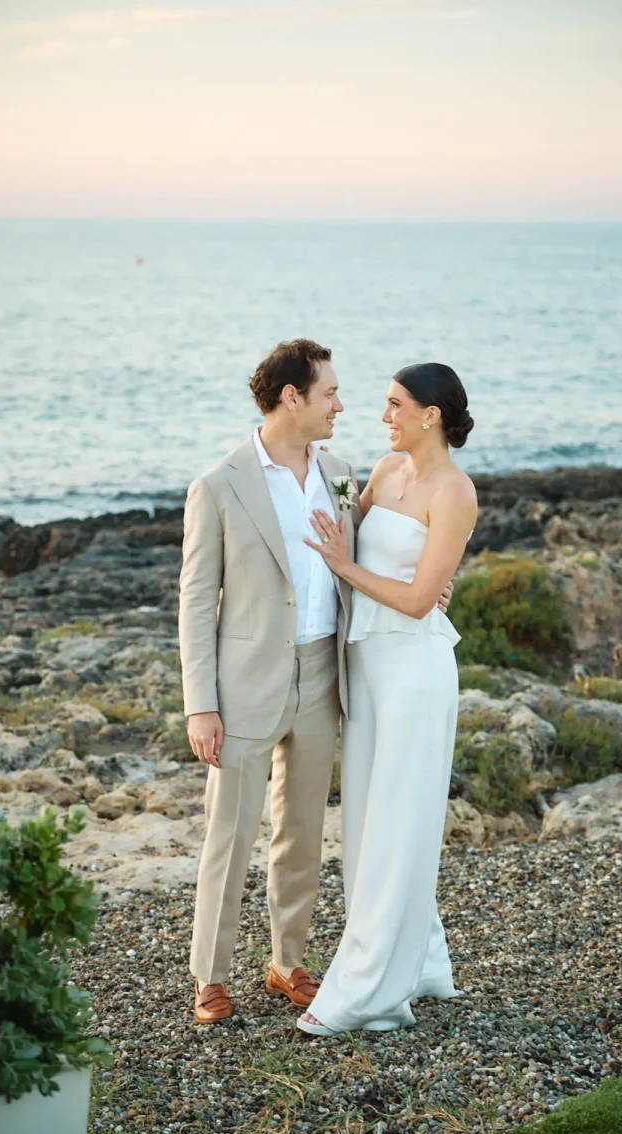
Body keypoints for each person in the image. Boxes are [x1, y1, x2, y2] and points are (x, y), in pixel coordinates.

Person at [179, 339, 452, 1025]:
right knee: (229, 835)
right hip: (243, 685)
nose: (341, 405)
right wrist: (200, 705)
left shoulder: (340, 472)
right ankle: (210, 975)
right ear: (291, 397)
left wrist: (434, 588)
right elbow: (195, 602)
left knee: (301, 832)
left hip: (324, 673)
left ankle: (288, 961)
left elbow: (375, 551)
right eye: (329, 392)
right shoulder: (219, 485)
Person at [297, 362, 477, 1036]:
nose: (384, 416)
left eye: (396, 404)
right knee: (370, 824)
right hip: (365, 669)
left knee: (398, 828)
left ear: (432, 415)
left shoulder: (455, 492)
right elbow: (348, 529)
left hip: (413, 672)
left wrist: (347, 567)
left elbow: (419, 598)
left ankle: (368, 992)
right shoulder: (383, 470)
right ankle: (423, 960)